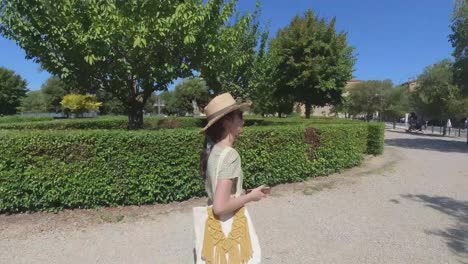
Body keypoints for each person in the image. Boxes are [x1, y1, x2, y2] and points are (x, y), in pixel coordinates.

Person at [194, 93, 266, 263]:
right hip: (228, 229)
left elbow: (219, 191)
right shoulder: (230, 155)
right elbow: (220, 207)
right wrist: (251, 196)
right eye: (239, 116)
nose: (243, 120)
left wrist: (240, 192)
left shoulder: (214, 150)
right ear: (226, 121)